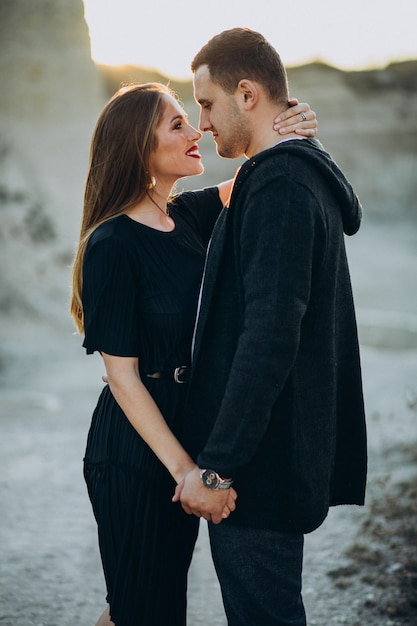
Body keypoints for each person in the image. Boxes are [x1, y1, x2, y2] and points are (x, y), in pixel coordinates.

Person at [69, 81, 317, 626]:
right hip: (137, 451)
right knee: (145, 608)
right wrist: (189, 473)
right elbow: (122, 379)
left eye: (192, 117)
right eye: (177, 123)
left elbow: (264, 175)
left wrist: (292, 126)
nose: (197, 130)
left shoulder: (190, 215)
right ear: (139, 146)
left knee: (141, 605)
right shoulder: (111, 245)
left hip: (187, 433)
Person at [174, 28, 368, 626]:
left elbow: (269, 336)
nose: (202, 124)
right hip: (275, 456)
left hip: (259, 471)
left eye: (206, 104)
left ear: (249, 94)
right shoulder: (289, 173)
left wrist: (217, 467)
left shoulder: (280, 184)